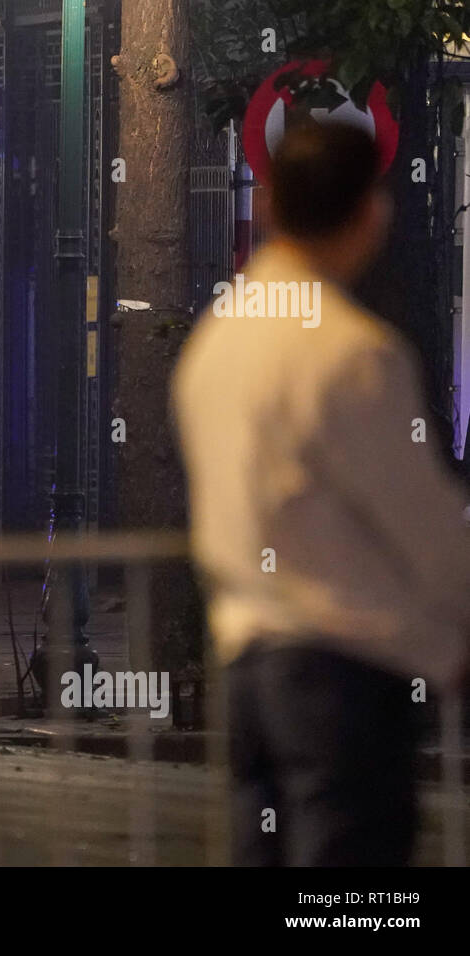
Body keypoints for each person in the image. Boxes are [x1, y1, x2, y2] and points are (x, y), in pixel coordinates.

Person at [173, 119, 470, 866]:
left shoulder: (217, 340)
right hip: (347, 671)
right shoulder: (352, 353)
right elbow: (424, 526)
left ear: (270, 207)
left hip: (248, 663)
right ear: (371, 212)